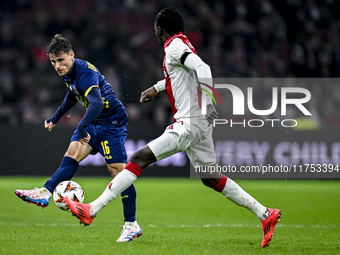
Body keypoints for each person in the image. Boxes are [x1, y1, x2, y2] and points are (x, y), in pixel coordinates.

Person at [65, 8, 281, 247]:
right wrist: (156, 89)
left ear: (159, 29)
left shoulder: (174, 45)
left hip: (189, 122)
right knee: (210, 178)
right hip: (199, 124)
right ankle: (265, 214)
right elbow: (181, 75)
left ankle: (92, 210)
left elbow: (204, 69)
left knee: (138, 157)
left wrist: (209, 103)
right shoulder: (182, 44)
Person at [14, 34, 142, 243]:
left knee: (118, 173)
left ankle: (131, 224)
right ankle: (46, 192)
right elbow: (72, 94)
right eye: (53, 61)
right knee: (72, 153)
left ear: (72, 55)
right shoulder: (69, 73)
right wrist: (55, 117)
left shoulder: (85, 73)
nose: (57, 65)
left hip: (111, 123)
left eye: (61, 59)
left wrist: (81, 125)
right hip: (94, 120)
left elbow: (98, 103)